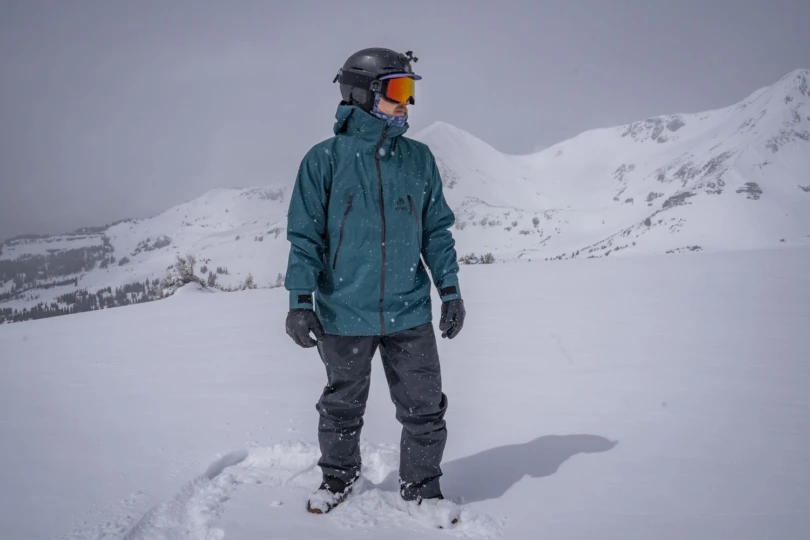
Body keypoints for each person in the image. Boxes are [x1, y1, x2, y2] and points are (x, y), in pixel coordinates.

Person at [284, 47, 465, 515]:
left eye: (410, 91)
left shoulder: (418, 159)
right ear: (363, 95)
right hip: (344, 311)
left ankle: (422, 488)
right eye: (397, 90)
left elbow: (436, 232)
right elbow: (305, 237)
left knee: (425, 408)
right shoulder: (323, 161)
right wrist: (300, 300)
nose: (407, 103)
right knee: (341, 407)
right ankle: (337, 479)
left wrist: (449, 290)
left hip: (408, 310)